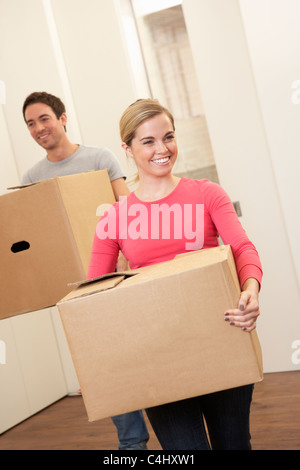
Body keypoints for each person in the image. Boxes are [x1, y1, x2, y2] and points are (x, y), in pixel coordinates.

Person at [87, 98, 263, 450]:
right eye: (148, 141)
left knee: (233, 445)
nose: (162, 149)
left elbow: (243, 248)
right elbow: (94, 293)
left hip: (221, 336)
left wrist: (251, 290)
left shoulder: (206, 193)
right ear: (128, 149)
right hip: (157, 354)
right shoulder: (114, 218)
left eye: (168, 137)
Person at [22, 91, 149, 451]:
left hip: (115, 272)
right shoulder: (32, 176)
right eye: (30, 123)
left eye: (44, 118)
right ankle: (132, 444)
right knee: (101, 363)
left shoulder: (98, 158)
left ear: (63, 118)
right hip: (74, 285)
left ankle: (169, 423)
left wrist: (127, 259)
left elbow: (127, 208)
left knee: (140, 350)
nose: (38, 128)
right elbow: (38, 238)